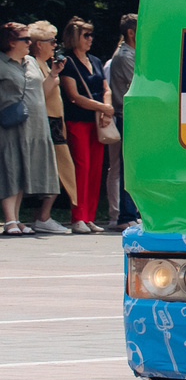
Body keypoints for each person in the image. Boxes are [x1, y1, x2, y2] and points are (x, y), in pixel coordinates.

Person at [56, 17, 109, 233]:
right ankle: (77, 216)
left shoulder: (95, 60)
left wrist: (106, 107)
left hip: (98, 121)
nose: (90, 39)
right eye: (86, 35)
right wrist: (103, 108)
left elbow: (106, 88)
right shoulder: (67, 62)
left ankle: (89, 217)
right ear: (74, 37)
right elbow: (74, 96)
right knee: (81, 167)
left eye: (91, 35)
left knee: (96, 169)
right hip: (77, 120)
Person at [0, 24, 53, 236]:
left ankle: (16, 218)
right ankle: (10, 220)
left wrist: (54, 74)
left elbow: (40, 92)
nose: (30, 43)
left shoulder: (31, 61)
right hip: (9, 126)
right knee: (10, 168)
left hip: (34, 126)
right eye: (25, 39)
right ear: (11, 42)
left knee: (22, 170)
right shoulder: (1, 64)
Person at [23, 22, 67, 235]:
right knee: (58, 170)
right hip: (45, 122)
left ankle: (40, 216)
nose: (55, 45)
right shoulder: (32, 63)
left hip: (54, 120)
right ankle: (43, 217)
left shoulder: (44, 64)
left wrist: (54, 72)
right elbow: (39, 94)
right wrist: (53, 75)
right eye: (51, 41)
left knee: (56, 169)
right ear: (39, 44)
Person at [104, 14, 137, 227]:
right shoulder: (125, 56)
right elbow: (138, 83)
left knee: (133, 166)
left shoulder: (133, 53)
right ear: (131, 33)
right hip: (127, 117)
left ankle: (131, 212)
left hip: (133, 117)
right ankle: (125, 215)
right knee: (128, 167)